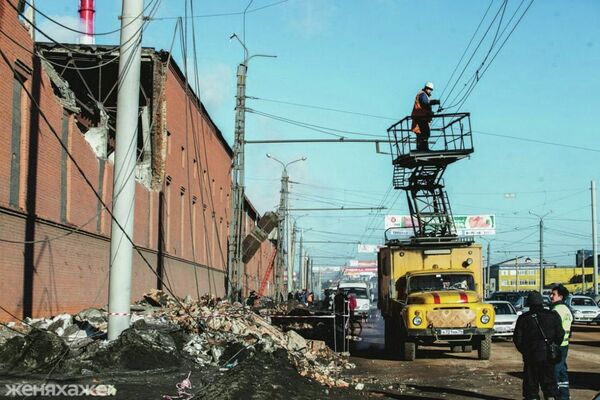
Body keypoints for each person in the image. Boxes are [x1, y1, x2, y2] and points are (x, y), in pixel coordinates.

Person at [514, 291, 564, 400]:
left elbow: (517, 339)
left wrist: (526, 351)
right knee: (550, 384)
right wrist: (553, 346)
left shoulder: (524, 318)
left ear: (529, 303)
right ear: (542, 301)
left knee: (531, 386)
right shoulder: (553, 315)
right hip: (548, 356)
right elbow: (560, 334)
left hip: (531, 356)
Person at [550, 284, 573, 400]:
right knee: (562, 370)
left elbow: (553, 329)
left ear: (560, 296)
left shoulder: (556, 310)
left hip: (556, 345)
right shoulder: (567, 309)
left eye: (553, 294)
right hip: (565, 345)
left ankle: (558, 396)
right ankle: (565, 395)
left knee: (555, 372)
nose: (551, 296)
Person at [411, 82, 441, 151]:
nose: (429, 91)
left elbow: (425, 107)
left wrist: (431, 113)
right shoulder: (422, 94)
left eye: (430, 89)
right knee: (426, 132)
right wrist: (435, 102)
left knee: (421, 133)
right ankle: (424, 149)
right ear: (426, 88)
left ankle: (421, 148)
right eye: (429, 89)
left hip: (419, 117)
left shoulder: (423, 95)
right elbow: (425, 103)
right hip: (420, 117)